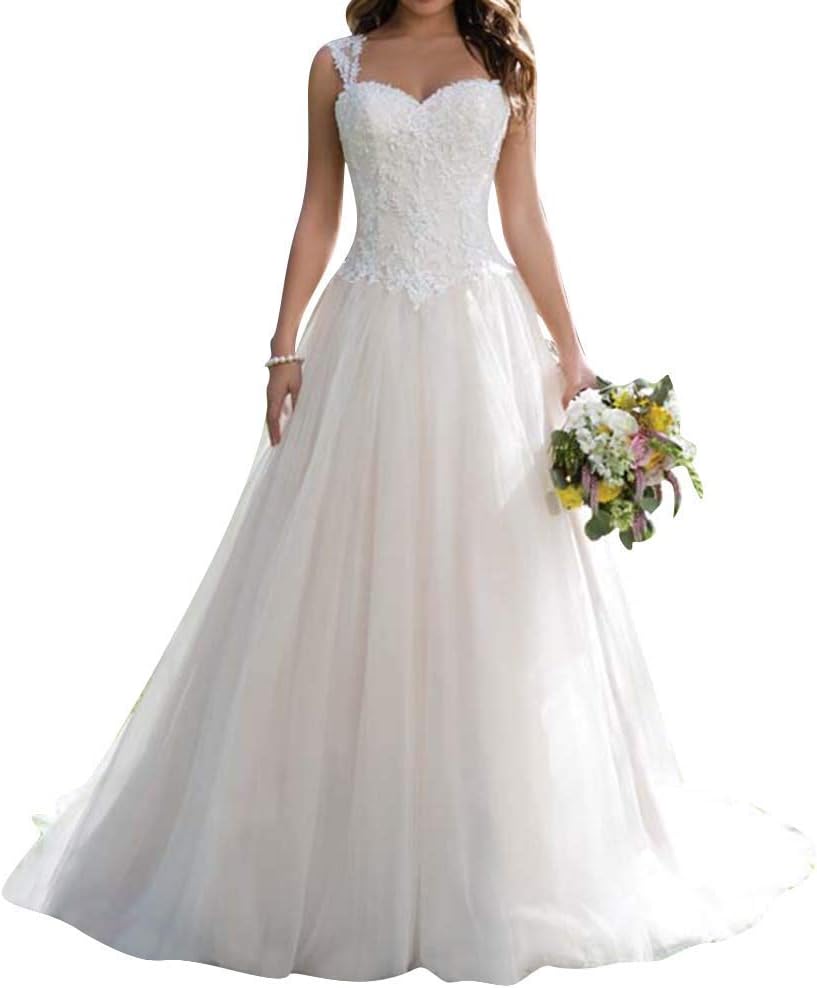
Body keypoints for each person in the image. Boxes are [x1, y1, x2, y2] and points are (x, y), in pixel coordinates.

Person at [3, 2, 813, 983]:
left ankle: (498, 854)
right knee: (334, 590)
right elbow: (318, 209)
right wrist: (283, 346)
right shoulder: (336, 64)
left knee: (492, 596)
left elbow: (522, 214)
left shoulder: (503, 60)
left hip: (482, 346)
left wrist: (571, 351)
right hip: (367, 340)